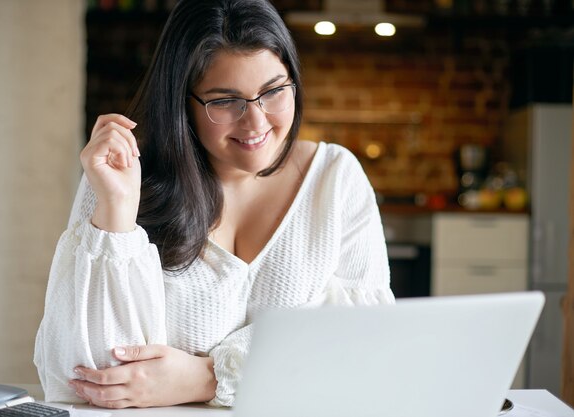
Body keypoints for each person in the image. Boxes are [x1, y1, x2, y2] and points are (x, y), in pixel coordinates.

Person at [34, 0, 394, 409]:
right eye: (225, 101)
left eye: (274, 91)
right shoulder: (122, 174)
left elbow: (361, 344)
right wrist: (117, 213)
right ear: (182, 104)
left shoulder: (335, 179)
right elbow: (85, 379)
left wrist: (208, 378)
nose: (256, 123)